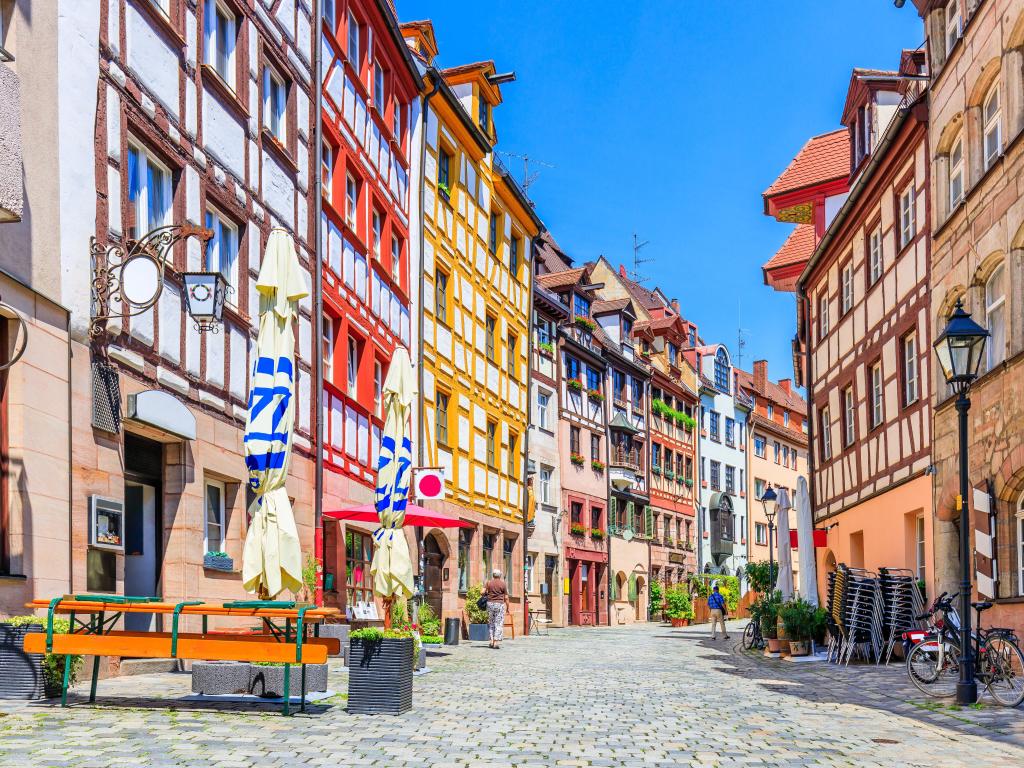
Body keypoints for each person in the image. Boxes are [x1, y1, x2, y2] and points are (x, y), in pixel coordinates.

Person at [483, 568, 511, 648]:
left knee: (491, 623)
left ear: (493, 575)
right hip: (499, 604)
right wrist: (508, 608)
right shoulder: (503, 584)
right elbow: (506, 597)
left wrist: (487, 592)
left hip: (490, 604)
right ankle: (496, 642)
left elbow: (482, 592)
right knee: (498, 623)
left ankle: (491, 641)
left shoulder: (488, 583)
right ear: (500, 576)